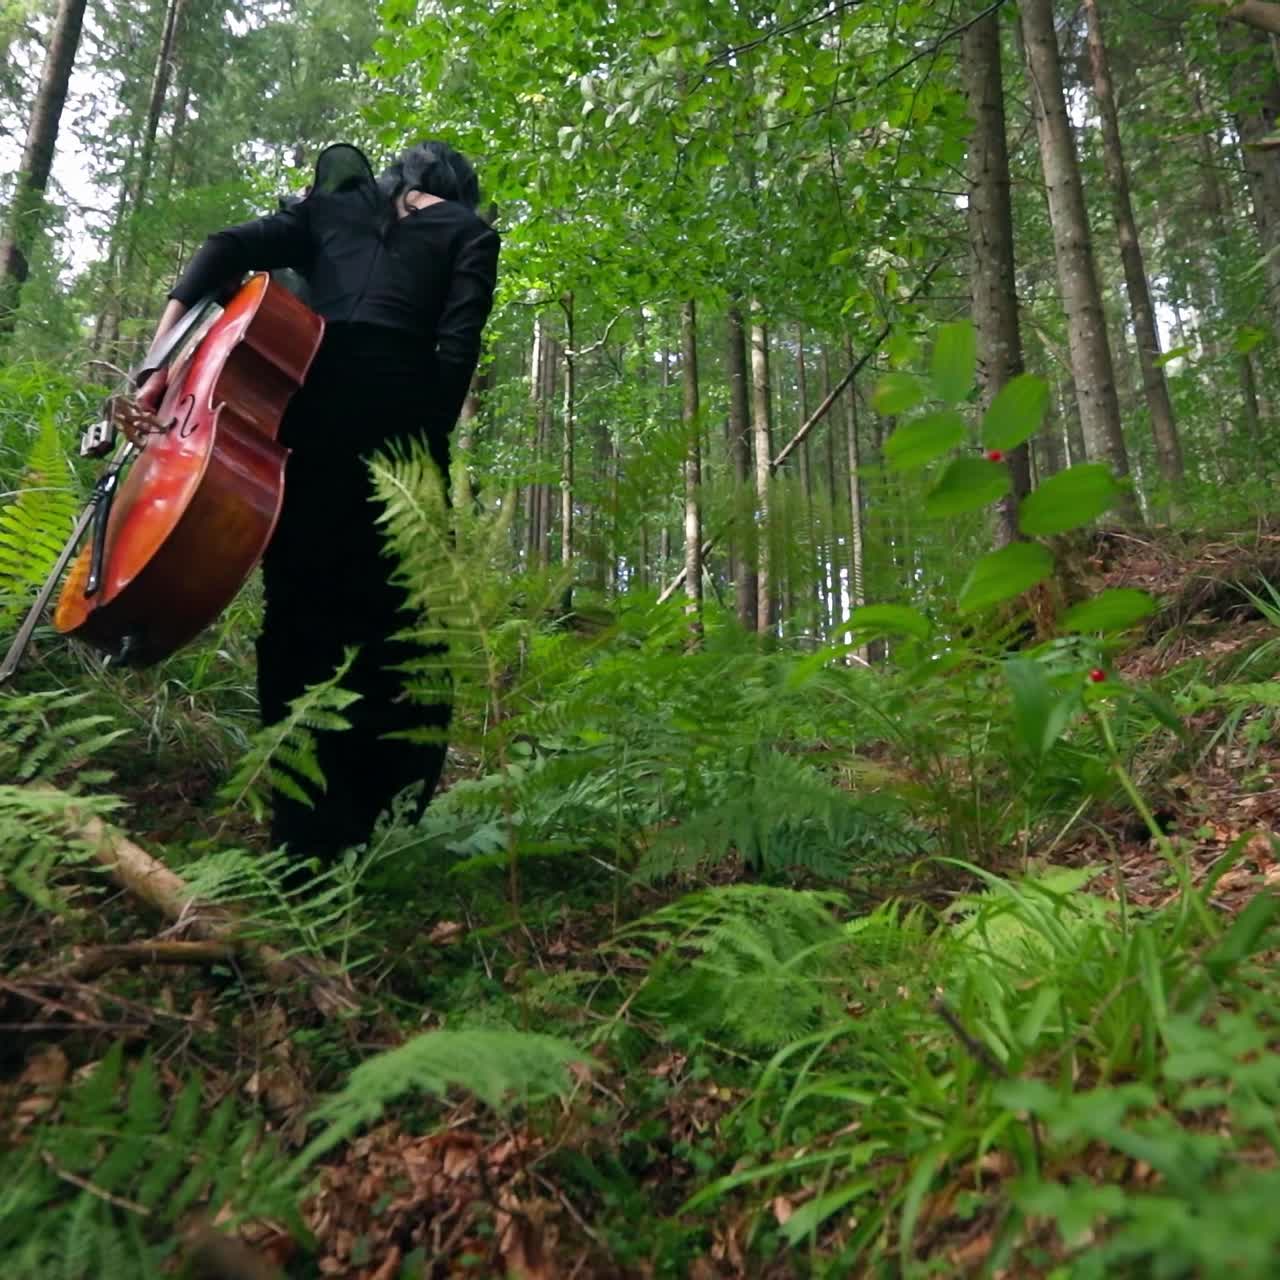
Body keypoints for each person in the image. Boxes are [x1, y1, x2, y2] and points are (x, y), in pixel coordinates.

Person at [139, 140, 500, 862]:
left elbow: (222, 249)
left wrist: (157, 361)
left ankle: (303, 831)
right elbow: (456, 351)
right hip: (402, 423)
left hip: (303, 408)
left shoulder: (331, 208)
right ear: (460, 190)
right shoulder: (472, 232)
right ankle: (383, 821)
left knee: (300, 608)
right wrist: (423, 448)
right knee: (406, 618)